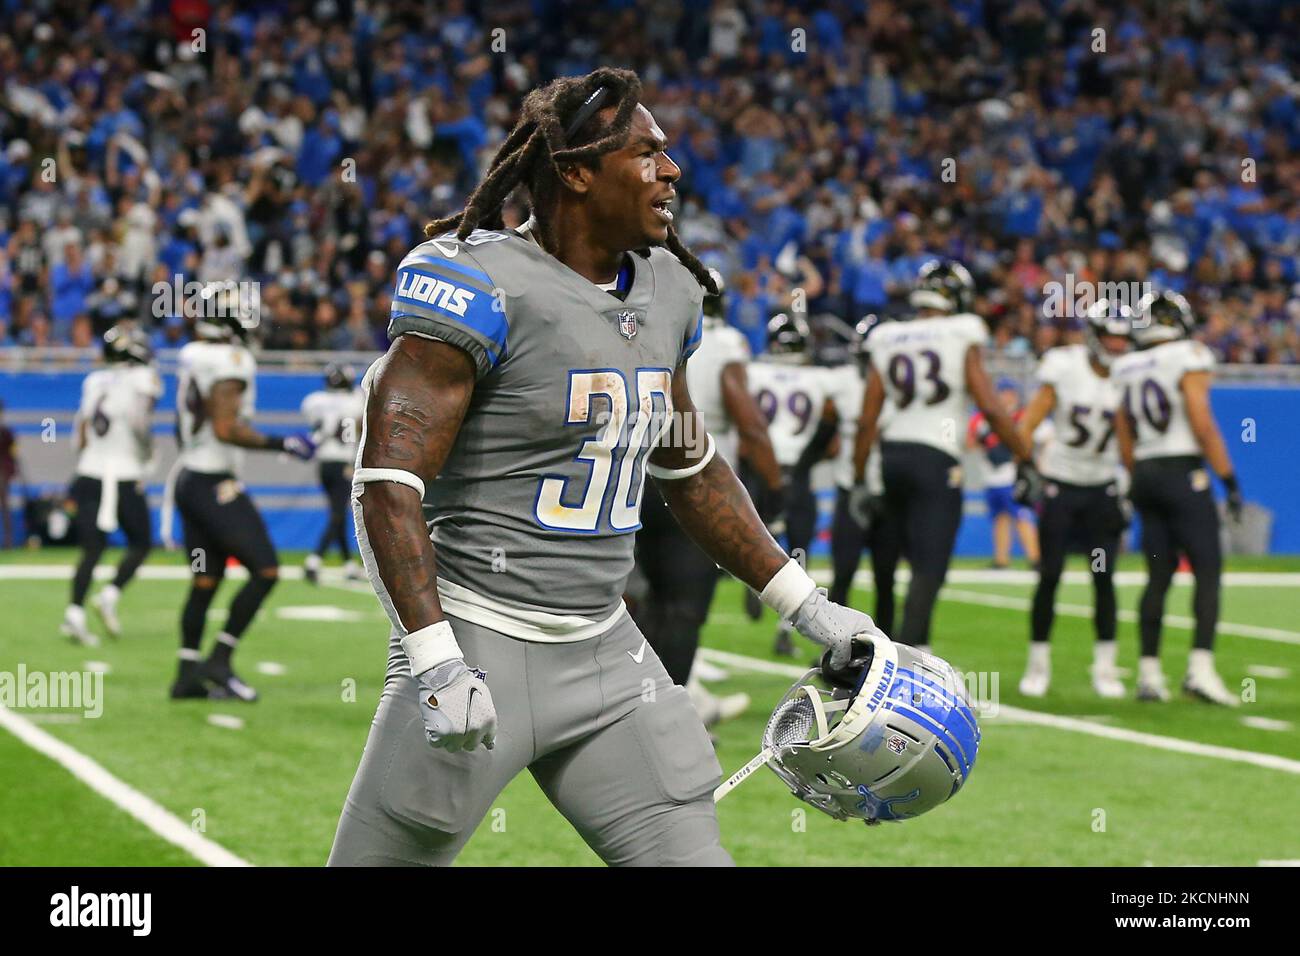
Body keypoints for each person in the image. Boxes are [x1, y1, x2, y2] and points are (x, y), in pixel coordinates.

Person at [328, 69, 890, 867]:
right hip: (481, 639)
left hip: (607, 651)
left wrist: (808, 606)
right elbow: (388, 485)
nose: (673, 171)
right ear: (576, 171)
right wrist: (433, 658)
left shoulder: (668, 290)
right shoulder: (476, 281)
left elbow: (689, 467)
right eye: (648, 154)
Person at [852, 259, 1034, 651]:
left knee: (891, 566)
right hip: (936, 458)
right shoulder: (960, 330)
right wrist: (1026, 456)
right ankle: (914, 662)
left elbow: (868, 418)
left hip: (892, 456)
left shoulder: (887, 335)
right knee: (928, 568)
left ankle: (884, 657)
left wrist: (857, 477)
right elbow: (989, 403)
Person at [631, 268, 780, 725]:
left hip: (635, 481)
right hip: (694, 484)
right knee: (683, 611)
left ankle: (639, 711)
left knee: (644, 604)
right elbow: (749, 422)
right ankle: (666, 721)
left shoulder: (642, 324)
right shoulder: (727, 344)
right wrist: (775, 490)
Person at [168, 305, 315, 700]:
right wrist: (282, 442)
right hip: (214, 481)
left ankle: (186, 675)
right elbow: (226, 428)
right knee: (265, 570)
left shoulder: (193, 354)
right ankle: (219, 659)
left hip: (188, 477)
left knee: (205, 580)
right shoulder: (231, 360)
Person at [1112, 292, 1240, 706]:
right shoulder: (1189, 354)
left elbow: (1124, 431)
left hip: (1146, 473)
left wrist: (1136, 476)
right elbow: (1201, 422)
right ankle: (1200, 670)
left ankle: (1149, 675)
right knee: (1207, 568)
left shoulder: (1125, 365)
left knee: (1157, 575)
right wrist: (1229, 479)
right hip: (1182, 471)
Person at [1015, 301, 1131, 698]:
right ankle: (1037, 665)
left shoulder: (1129, 376)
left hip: (1102, 487)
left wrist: (1132, 482)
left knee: (1104, 580)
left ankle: (1105, 668)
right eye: (1111, 337)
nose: (1117, 345)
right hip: (1061, 485)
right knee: (1049, 576)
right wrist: (1024, 466)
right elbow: (1029, 421)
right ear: (1095, 336)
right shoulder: (1065, 367)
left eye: (1122, 338)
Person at [746, 312, 840, 655]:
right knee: (799, 554)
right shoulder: (820, 379)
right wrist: (810, 458)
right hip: (799, 473)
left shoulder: (753, 373)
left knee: (754, 537)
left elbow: (743, 422)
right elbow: (832, 428)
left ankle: (750, 585)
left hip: (760, 468)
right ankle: (786, 627)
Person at [61, 325, 161, 645]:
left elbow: (80, 428)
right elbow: (140, 422)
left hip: (89, 471)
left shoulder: (95, 380)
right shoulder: (142, 378)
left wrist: (85, 457)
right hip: (124, 473)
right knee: (142, 542)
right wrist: (147, 459)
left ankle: (74, 612)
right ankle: (109, 594)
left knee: (91, 549)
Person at [300, 363, 365, 584]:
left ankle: (348, 565)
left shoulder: (315, 401)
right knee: (337, 515)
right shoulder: (354, 402)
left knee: (338, 514)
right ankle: (314, 560)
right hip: (342, 463)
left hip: (323, 464)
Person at [967, 378, 1040, 569]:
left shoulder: (1022, 416)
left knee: (1022, 516)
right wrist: (985, 443)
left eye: (1009, 393)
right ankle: (1001, 559)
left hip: (1013, 475)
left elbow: (1037, 439)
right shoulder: (982, 418)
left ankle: (1035, 558)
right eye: (1003, 393)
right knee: (1000, 518)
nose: (1006, 397)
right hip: (991, 476)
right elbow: (968, 443)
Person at [0, 399, 17, 549]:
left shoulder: (6, 432)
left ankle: (8, 541)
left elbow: (12, 454)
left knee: (5, 507)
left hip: (3, 473)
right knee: (5, 507)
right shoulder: (6, 431)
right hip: (4, 472)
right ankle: (8, 541)